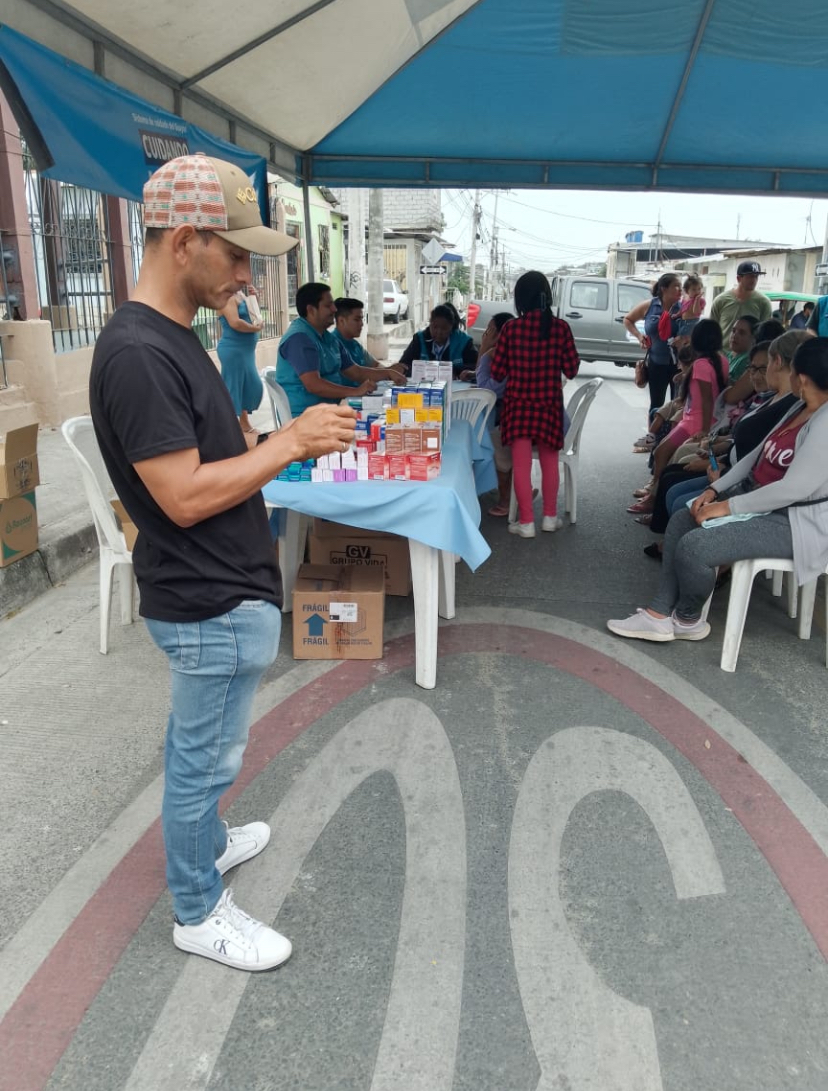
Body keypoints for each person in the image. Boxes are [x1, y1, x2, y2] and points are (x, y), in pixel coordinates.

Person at [89, 154, 358, 972]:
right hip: (204, 595)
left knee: (201, 751)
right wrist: (289, 441)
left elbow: (208, 454)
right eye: (235, 253)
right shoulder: (139, 351)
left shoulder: (174, 336)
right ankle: (197, 908)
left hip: (220, 588)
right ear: (184, 241)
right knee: (202, 761)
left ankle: (206, 840)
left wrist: (259, 440)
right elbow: (181, 495)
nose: (247, 273)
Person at [607, 336, 828, 643]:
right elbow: (755, 457)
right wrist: (713, 491)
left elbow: (792, 490)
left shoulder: (824, 423)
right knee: (682, 519)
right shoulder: (800, 408)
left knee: (695, 547)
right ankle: (658, 613)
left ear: (801, 378)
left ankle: (687, 618)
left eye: (791, 370)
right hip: (758, 502)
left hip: (791, 522)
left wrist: (725, 507)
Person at [490, 271, 580, 538]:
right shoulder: (561, 328)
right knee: (550, 462)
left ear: (521, 300)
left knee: (521, 464)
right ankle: (550, 518)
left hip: (518, 410)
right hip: (549, 409)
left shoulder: (511, 329)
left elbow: (497, 373)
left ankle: (526, 522)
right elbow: (572, 369)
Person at [627, 320, 726, 516]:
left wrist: (704, 431)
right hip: (705, 419)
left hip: (695, 422)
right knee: (667, 455)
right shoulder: (721, 360)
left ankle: (654, 498)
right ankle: (654, 495)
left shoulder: (701, 364)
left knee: (661, 453)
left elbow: (707, 398)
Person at [276, 282, 377, 417]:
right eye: (328, 305)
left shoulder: (327, 337)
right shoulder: (299, 339)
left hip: (328, 410)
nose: (334, 309)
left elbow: (355, 372)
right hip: (305, 416)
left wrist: (389, 373)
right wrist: (355, 391)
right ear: (311, 310)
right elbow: (314, 384)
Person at [470, 311, 516, 516]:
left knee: (491, 441)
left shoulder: (498, 356)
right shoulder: (511, 354)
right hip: (515, 418)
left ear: (500, 334)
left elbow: (486, 390)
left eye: (490, 330)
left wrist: (484, 352)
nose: (485, 334)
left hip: (506, 421)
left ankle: (506, 499)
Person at [623, 272, 682, 419]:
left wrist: (684, 339)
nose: (680, 290)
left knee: (678, 405)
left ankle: (672, 432)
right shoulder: (650, 306)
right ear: (664, 289)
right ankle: (654, 432)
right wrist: (639, 336)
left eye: (681, 287)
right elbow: (628, 320)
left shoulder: (683, 309)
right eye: (676, 286)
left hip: (679, 365)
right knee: (656, 405)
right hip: (656, 363)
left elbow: (692, 330)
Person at [217, 284, 264, 441]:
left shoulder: (240, 294)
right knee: (234, 387)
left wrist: (255, 298)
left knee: (247, 386)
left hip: (246, 350)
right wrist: (255, 329)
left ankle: (243, 423)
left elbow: (250, 313)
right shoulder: (227, 297)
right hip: (233, 349)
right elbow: (235, 322)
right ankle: (227, 427)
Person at [332, 297, 405, 383]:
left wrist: (390, 370)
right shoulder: (331, 344)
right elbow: (359, 373)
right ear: (341, 321)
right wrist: (388, 372)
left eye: (361, 319)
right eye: (356, 320)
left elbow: (375, 365)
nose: (361, 324)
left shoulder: (355, 345)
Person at [398, 304, 477, 376]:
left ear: (451, 328)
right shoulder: (419, 339)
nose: (439, 332)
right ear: (430, 324)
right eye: (435, 327)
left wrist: (455, 371)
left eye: (444, 328)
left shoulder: (464, 341)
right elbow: (403, 365)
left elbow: (476, 366)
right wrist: (422, 370)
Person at [709, 260, 772, 338]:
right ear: (739, 278)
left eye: (756, 276)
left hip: (751, 346)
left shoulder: (763, 302)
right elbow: (711, 330)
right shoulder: (720, 300)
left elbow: (765, 333)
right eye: (750, 276)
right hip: (723, 346)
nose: (754, 280)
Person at [675, 275, 706, 341]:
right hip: (683, 322)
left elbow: (696, 312)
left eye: (699, 289)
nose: (697, 292)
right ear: (687, 291)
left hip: (692, 324)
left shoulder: (700, 300)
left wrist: (697, 300)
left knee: (684, 341)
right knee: (679, 338)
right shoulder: (685, 298)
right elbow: (682, 309)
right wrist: (677, 314)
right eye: (693, 289)